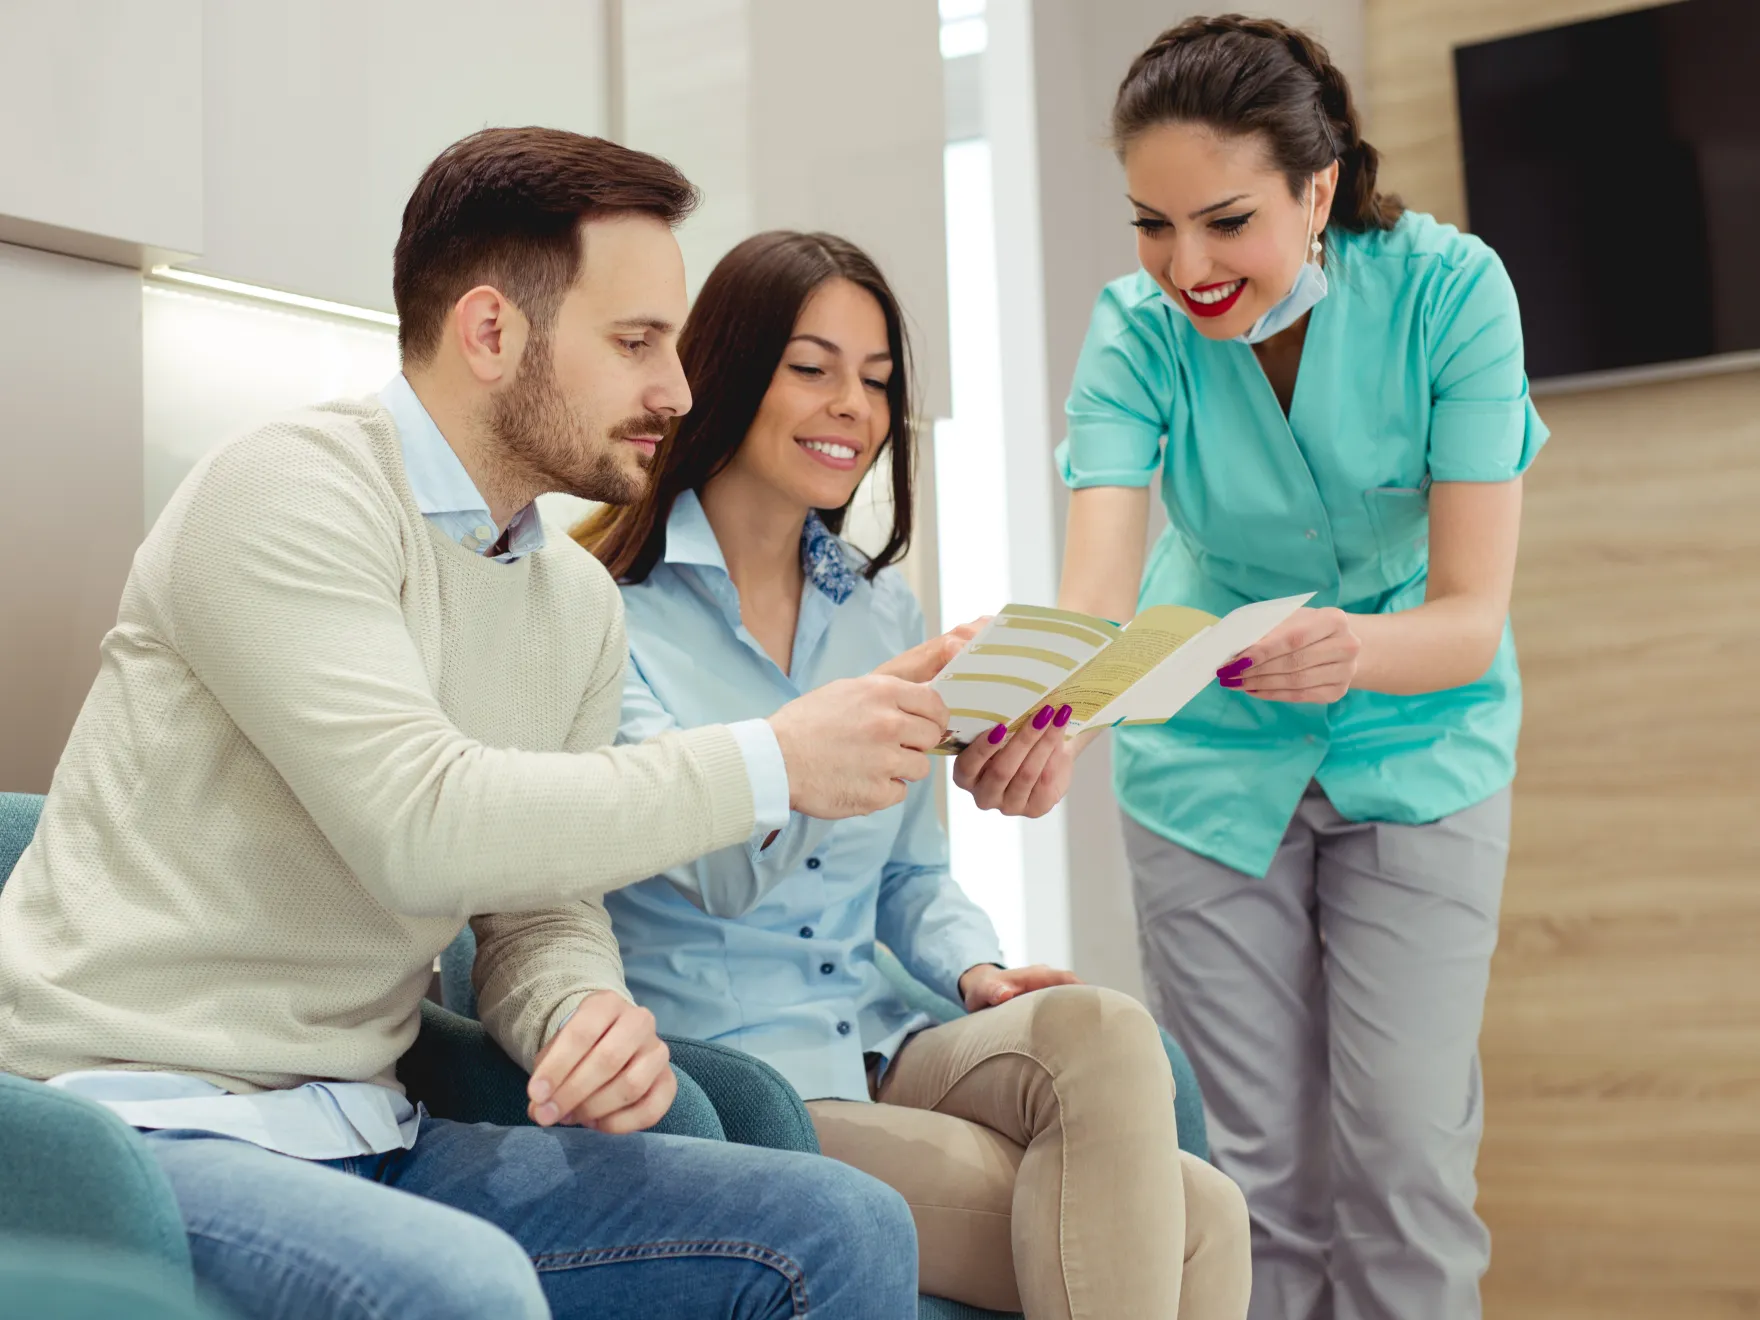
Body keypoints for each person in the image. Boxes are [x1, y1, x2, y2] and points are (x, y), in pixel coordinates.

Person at [0, 128, 936, 1320]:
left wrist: (575, 1010)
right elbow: (422, 824)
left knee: (837, 1223)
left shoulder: (572, 601)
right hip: (136, 1126)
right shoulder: (287, 493)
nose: (679, 391)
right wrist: (775, 761)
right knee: (461, 1287)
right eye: (636, 342)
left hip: (377, 1126)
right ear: (492, 332)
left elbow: (535, 903)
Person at [481, 229, 1254, 1320]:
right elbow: (713, 873)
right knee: (1200, 1221)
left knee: (1107, 1032)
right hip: (740, 1080)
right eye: (812, 368)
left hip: (881, 1037)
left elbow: (909, 877)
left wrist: (975, 972)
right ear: (729, 372)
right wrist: (844, 727)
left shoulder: (878, 608)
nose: (852, 403)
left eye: (877, 380)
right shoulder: (603, 609)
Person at [1024, 16, 1548, 1320]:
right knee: (1248, 1181)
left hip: (1419, 741)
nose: (1186, 266)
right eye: (1152, 224)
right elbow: (1096, 589)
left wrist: (1354, 650)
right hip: (1201, 756)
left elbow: (1472, 615)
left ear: (1319, 188)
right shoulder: (1135, 332)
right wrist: (1049, 717)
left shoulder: (1450, 291)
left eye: (1225, 221)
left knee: (1408, 1165)